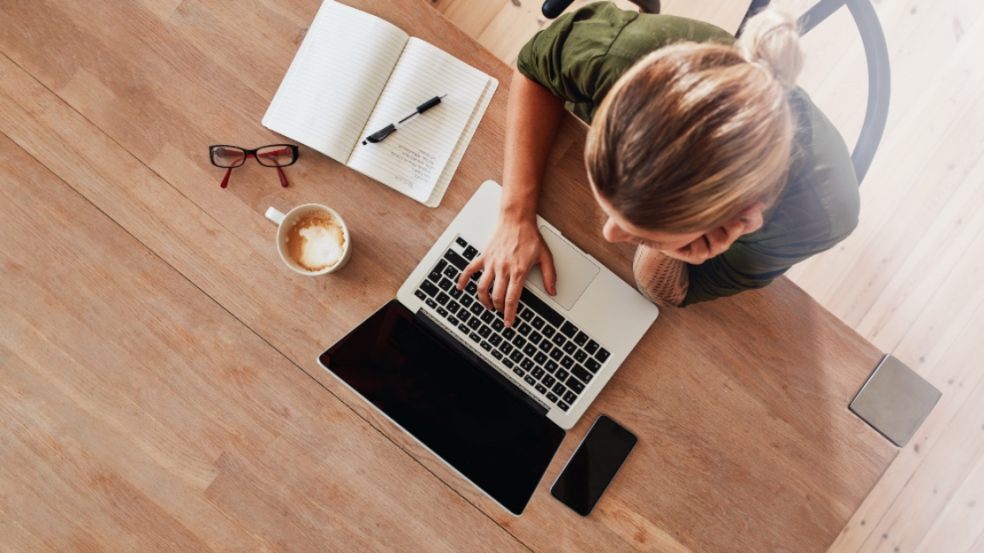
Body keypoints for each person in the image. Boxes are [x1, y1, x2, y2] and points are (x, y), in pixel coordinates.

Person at [456, 2, 860, 327]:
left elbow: (664, 290)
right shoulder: (624, 56)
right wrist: (514, 215)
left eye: (643, 235)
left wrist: (675, 255)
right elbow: (536, 67)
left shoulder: (816, 220)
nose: (609, 233)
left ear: (739, 222)